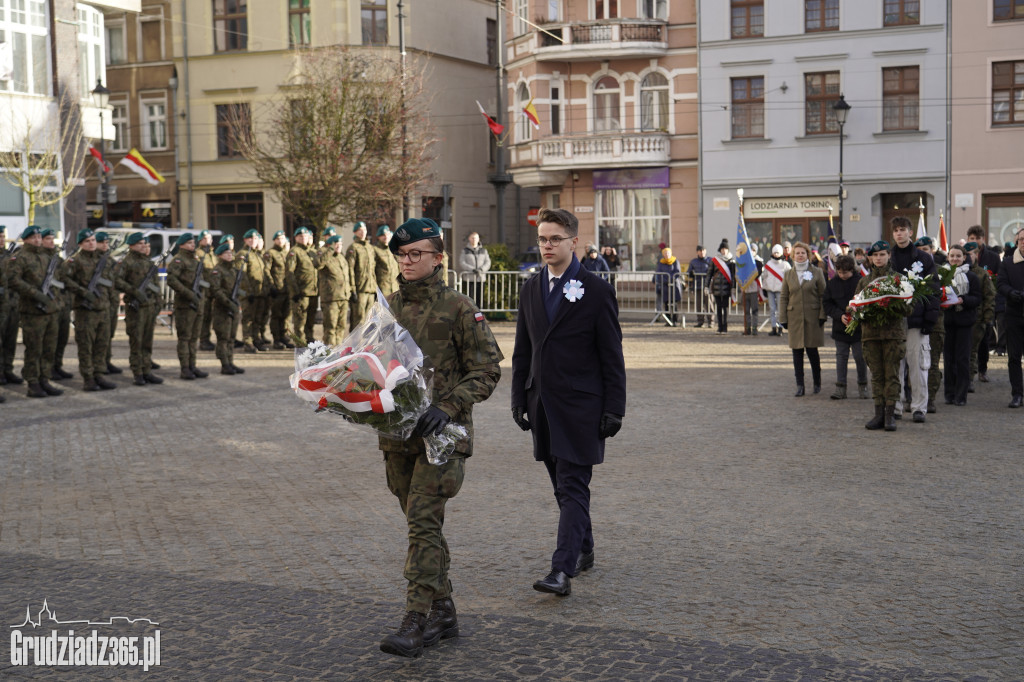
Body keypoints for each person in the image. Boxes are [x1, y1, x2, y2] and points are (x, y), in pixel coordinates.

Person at [375, 217, 502, 658]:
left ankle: (416, 619)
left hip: (442, 437)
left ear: (438, 258)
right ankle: (443, 609)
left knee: (424, 522)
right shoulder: (386, 307)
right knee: (420, 524)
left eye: (416, 254)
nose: (407, 262)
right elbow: (371, 367)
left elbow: (487, 370)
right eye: (401, 255)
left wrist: (446, 407)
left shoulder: (459, 308)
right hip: (397, 437)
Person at [510, 207, 626, 599]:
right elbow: (522, 350)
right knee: (562, 489)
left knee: (573, 485)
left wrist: (615, 407)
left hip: (581, 408)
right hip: (541, 404)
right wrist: (517, 397)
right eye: (542, 238)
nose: (547, 245)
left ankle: (562, 570)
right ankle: (584, 548)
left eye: (555, 238)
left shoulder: (596, 290)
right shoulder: (530, 289)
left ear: (573, 241)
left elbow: (611, 355)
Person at [889, 216, 939, 424]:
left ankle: (919, 407)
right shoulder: (887, 258)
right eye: (896, 230)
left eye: (903, 229)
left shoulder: (924, 259)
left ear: (910, 232)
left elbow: (933, 290)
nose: (899, 233)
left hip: (916, 322)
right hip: (892, 322)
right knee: (895, 367)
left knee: (918, 367)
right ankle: (897, 406)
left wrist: (930, 318)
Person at [8, 226, 64, 398]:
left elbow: (57, 280)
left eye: (39, 237)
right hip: (32, 311)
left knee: (49, 348)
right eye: (33, 238)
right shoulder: (20, 257)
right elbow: (13, 280)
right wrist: (36, 294)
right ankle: (33, 383)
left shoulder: (46, 256)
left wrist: (55, 301)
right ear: (25, 240)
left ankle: (44, 379)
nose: (37, 240)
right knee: (34, 348)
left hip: (50, 309)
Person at [856, 241, 906, 431]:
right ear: (870, 258)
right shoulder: (864, 281)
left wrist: (890, 304)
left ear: (889, 256)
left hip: (893, 335)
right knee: (877, 376)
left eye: (882, 255)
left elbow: (908, 307)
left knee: (891, 375)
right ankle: (878, 414)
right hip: (871, 335)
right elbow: (856, 305)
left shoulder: (899, 279)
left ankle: (890, 415)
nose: (878, 258)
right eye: (875, 255)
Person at [61, 229, 117, 391]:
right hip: (86, 311)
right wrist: (83, 292)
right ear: (80, 244)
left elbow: (111, 281)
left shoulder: (103, 260)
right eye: (87, 241)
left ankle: (99, 374)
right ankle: (88, 378)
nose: (91, 243)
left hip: (103, 308)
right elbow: (63, 278)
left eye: (93, 240)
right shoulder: (75, 261)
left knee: (102, 344)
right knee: (86, 345)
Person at [114, 232, 163, 386]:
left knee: (147, 342)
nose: (144, 246)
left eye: (145, 243)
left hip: (149, 306)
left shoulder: (149, 263)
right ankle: (138, 372)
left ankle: (147, 369)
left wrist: (158, 302)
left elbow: (155, 286)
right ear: (132, 245)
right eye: (141, 243)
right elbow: (117, 281)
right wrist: (134, 291)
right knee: (137, 341)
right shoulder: (127, 262)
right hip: (136, 308)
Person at [779, 241, 826, 396]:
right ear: (793, 255)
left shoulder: (817, 272)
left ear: (808, 255)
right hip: (794, 318)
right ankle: (800, 385)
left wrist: (822, 315)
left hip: (813, 318)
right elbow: (784, 297)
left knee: (813, 352)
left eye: (803, 253)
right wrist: (783, 318)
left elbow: (823, 296)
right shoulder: (788, 274)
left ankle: (817, 382)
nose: (800, 255)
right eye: (797, 253)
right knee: (797, 353)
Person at [165, 233, 210, 380]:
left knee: (194, 337)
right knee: (185, 338)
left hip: (197, 302)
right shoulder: (178, 260)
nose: (193, 245)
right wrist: (188, 293)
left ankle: (192, 365)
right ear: (182, 244)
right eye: (189, 243)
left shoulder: (195, 259)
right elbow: (171, 280)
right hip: (185, 305)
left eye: (193, 242)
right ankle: (185, 368)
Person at [823, 254, 868, 399]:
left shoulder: (860, 282)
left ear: (852, 270)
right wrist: (839, 315)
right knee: (841, 358)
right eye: (840, 272)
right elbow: (827, 304)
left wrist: (857, 316)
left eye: (845, 272)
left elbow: (866, 302)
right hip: (840, 327)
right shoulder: (832, 283)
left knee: (860, 357)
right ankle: (840, 387)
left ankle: (863, 385)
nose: (842, 275)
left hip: (858, 328)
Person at [941, 244, 981, 406]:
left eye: (958, 256)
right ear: (948, 257)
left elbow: (977, 298)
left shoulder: (971, 277)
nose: (955, 259)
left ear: (964, 258)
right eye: (952, 256)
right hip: (948, 322)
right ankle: (949, 394)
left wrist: (963, 300)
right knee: (948, 359)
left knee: (962, 360)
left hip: (965, 322)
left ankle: (961, 395)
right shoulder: (943, 275)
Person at [915, 236, 945, 413]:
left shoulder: (941, 271)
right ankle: (916, 396)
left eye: (925, 249)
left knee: (932, 363)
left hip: (936, 323)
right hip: (916, 322)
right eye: (919, 250)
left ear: (932, 250)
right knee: (915, 362)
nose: (922, 253)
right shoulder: (911, 269)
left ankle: (930, 398)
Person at [207, 242, 245, 376]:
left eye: (231, 253)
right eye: (227, 253)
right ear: (220, 256)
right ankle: (224, 364)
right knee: (223, 337)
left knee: (231, 337)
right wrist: (228, 302)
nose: (230, 255)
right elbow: (215, 290)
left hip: (233, 306)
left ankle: (230, 361)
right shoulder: (217, 270)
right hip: (222, 308)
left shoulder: (233, 270)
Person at [996, 228, 1024, 408]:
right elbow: (1000, 283)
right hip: (1014, 315)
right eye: (1021, 239)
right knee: (1014, 357)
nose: (1023, 242)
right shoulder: (1007, 262)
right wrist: (1010, 293)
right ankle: (1017, 394)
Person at [41, 228, 73, 382]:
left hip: (61, 304)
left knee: (62, 337)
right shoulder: (38, 258)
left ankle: (57, 366)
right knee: (48, 341)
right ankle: (46, 370)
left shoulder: (58, 259)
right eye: (48, 239)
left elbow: (65, 280)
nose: (51, 241)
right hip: (47, 305)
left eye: (52, 239)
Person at [963, 242, 996, 389]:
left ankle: (968, 379)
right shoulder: (958, 271)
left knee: (972, 350)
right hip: (960, 317)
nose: (969, 257)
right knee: (961, 350)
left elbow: (989, 297)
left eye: (972, 254)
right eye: (967, 254)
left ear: (976, 255)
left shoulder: (982, 274)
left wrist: (988, 318)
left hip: (977, 318)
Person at [94, 231, 123, 375]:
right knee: (99, 336)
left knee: (108, 334)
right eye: (102, 242)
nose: (105, 245)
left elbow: (116, 280)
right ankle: (98, 363)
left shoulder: (110, 260)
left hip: (112, 301)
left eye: (106, 243)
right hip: (99, 302)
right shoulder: (94, 259)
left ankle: (106, 360)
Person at [316, 234, 352, 345]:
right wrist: (330, 249)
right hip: (331, 298)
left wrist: (350, 291)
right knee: (330, 326)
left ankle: (338, 350)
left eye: (340, 244)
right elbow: (318, 264)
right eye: (336, 244)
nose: (339, 246)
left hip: (344, 297)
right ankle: (330, 352)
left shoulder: (341, 257)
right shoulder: (326, 256)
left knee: (341, 326)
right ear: (330, 245)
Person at [236, 229, 269, 353]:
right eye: (250, 239)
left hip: (260, 293)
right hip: (249, 294)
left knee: (258, 318)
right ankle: (248, 342)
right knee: (248, 319)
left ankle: (256, 339)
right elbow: (242, 275)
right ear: (245, 240)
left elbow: (263, 274)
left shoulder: (257, 254)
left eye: (255, 239)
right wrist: (248, 291)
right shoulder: (242, 254)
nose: (253, 241)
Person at [286, 226, 318, 347]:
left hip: (313, 292)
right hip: (301, 293)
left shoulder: (311, 252)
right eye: (300, 236)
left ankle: (309, 340)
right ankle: (300, 344)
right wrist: (295, 292)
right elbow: (289, 273)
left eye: (305, 236)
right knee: (300, 321)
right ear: (296, 238)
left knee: (310, 320)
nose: (303, 238)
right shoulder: (294, 252)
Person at [0, 224, 23, 389]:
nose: (1, 240)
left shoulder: (10, 256)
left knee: (10, 339)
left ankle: (8, 369)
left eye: (2, 237)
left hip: (12, 304)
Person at [347, 221, 376, 328]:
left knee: (370, 320)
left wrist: (375, 288)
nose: (363, 232)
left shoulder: (370, 247)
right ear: (355, 232)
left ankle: (366, 344)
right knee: (359, 320)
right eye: (360, 230)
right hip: (360, 289)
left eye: (364, 229)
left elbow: (373, 270)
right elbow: (350, 270)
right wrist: (352, 289)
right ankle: (356, 344)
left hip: (371, 289)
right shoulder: (353, 248)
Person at [267, 230, 293, 349]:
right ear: (274, 240)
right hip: (277, 290)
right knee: (276, 315)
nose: (280, 241)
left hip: (287, 289)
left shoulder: (287, 253)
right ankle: (276, 339)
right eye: (278, 239)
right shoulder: (270, 253)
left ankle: (284, 336)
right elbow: (266, 271)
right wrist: (272, 286)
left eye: (282, 239)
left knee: (286, 315)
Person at [761, 244, 790, 336]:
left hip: (781, 290)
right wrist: (764, 288)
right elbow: (765, 277)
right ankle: (774, 327)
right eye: (775, 252)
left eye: (778, 252)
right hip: (770, 290)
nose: (776, 254)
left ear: (781, 253)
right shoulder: (768, 264)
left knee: (781, 310)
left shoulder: (785, 265)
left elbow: (789, 278)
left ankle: (780, 328)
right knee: (772, 309)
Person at [196, 230, 218, 351]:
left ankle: (207, 339)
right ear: (200, 240)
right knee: (204, 317)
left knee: (209, 316)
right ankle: (203, 340)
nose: (208, 240)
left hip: (212, 290)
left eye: (209, 238)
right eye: (205, 238)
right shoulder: (198, 254)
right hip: (203, 291)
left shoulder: (212, 254)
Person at [709, 239, 736, 334]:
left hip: (726, 288)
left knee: (725, 308)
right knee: (719, 309)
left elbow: (733, 275)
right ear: (720, 250)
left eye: (725, 249)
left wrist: (733, 287)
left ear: (728, 250)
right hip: (716, 288)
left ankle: (725, 327)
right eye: (722, 249)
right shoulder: (715, 260)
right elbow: (710, 273)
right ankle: (719, 327)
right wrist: (706, 286)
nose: (724, 251)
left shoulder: (731, 261)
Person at [457, 231, 491, 307]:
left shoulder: (484, 251)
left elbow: (488, 262)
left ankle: (480, 314)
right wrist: (472, 269)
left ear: (478, 239)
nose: (474, 240)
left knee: (480, 298)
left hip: (480, 278)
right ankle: (470, 315)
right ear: (469, 239)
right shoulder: (465, 251)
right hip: (469, 279)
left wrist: (481, 269)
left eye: (475, 238)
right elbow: (462, 262)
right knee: (470, 298)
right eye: (472, 238)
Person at [654, 246, 682, 326]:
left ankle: (675, 320)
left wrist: (670, 279)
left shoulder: (675, 261)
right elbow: (659, 273)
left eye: (668, 253)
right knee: (666, 303)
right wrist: (666, 280)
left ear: (671, 253)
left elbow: (677, 272)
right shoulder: (661, 262)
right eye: (665, 253)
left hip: (674, 286)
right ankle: (668, 320)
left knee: (674, 304)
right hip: (665, 286)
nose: (667, 255)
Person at [741, 243, 764, 335]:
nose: (751, 252)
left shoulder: (758, 262)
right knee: (746, 310)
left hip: (754, 289)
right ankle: (747, 328)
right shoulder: (744, 261)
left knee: (754, 309)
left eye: (753, 250)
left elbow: (757, 274)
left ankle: (754, 328)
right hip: (745, 289)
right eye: (750, 249)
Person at [373, 225, 401, 298]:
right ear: (378, 237)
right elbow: (371, 271)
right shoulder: (375, 250)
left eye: (387, 234)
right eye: (383, 235)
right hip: (383, 289)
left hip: (395, 287)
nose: (385, 237)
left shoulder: (393, 250)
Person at [687, 245, 711, 328]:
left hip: (707, 286)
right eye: (700, 251)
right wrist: (691, 274)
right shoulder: (694, 262)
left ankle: (711, 321)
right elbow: (689, 272)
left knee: (709, 304)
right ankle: (700, 321)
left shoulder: (710, 260)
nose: (702, 252)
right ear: (697, 252)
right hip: (697, 287)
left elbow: (714, 271)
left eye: (703, 250)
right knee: (699, 305)